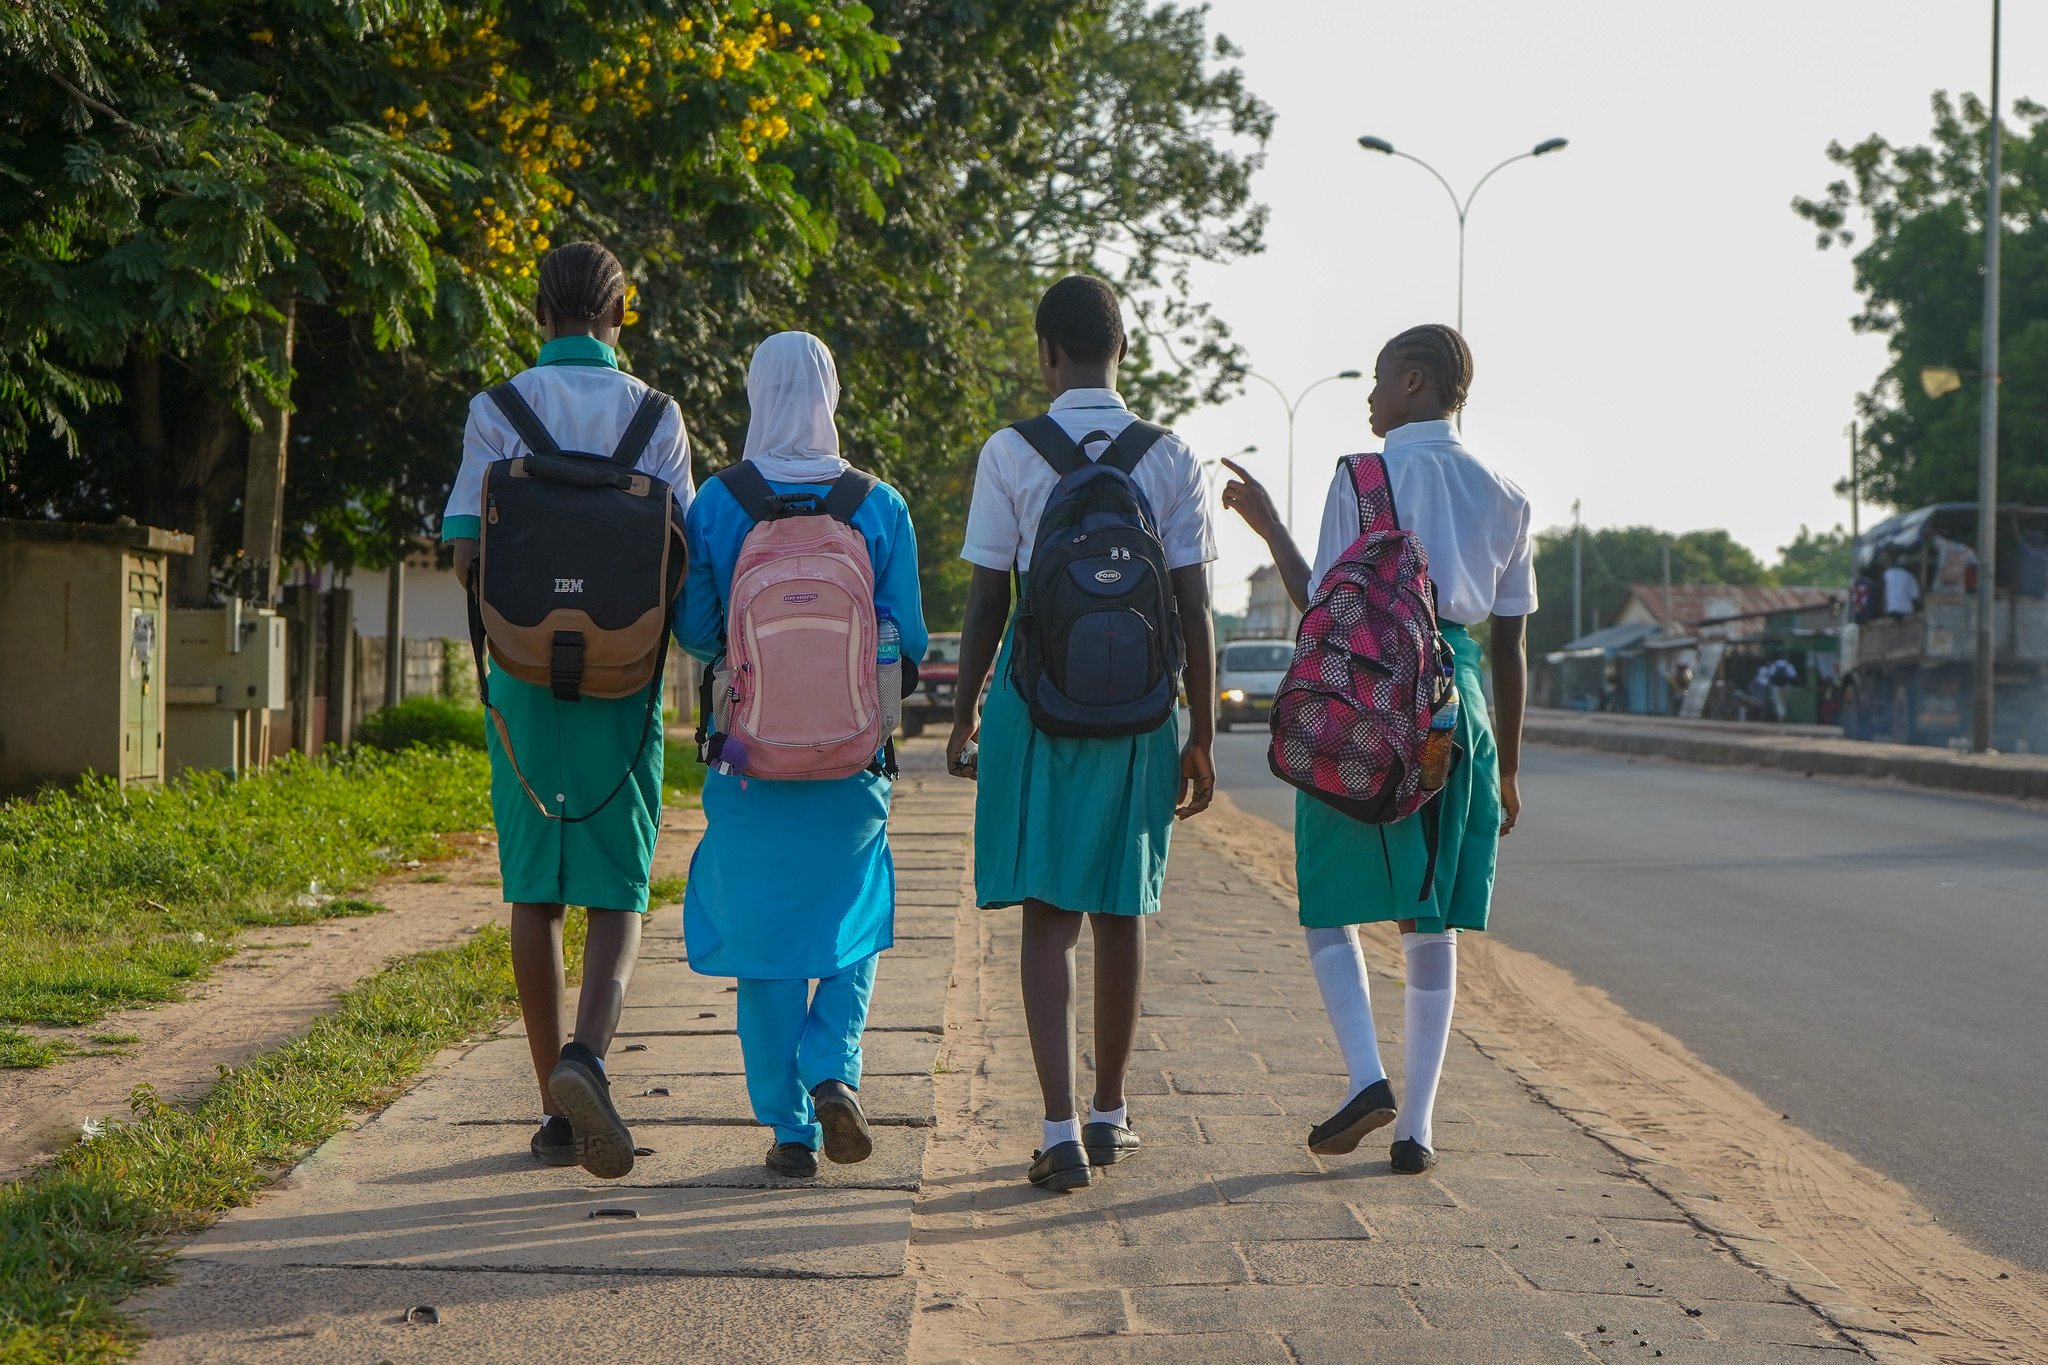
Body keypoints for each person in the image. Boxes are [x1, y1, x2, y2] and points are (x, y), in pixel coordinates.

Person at [1221, 323, 1533, 1175]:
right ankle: (1418, 1128)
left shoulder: (1363, 478)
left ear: (1415, 381)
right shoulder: (1506, 492)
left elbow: (1320, 600)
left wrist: (1270, 525)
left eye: (1381, 380)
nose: (1369, 397)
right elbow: (1509, 647)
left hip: (1366, 702)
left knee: (1326, 896)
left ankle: (1367, 1077)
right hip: (1453, 708)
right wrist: (1505, 765)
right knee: (1430, 916)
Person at [947, 274, 1217, 1193]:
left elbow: (991, 597)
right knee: (1121, 905)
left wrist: (964, 709)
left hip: (1037, 700)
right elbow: (1193, 603)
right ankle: (1111, 1112)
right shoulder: (1171, 455)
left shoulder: (1010, 451)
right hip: (1145, 709)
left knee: (1048, 915)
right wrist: (1204, 728)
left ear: (1044, 353)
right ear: (1125, 351)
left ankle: (1058, 1130)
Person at [444, 241, 694, 1177]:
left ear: (537, 314)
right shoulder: (658, 416)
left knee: (534, 892)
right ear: (620, 316)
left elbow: (467, 551)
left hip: (519, 679)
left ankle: (555, 1104)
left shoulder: (496, 409)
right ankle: (591, 1055)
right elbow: (682, 555)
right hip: (625, 679)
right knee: (617, 888)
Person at [677, 331, 928, 1179]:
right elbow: (908, 640)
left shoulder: (718, 500)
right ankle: (833, 1070)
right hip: (854, 764)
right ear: (832, 393)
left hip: (748, 760)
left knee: (765, 945)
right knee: (849, 923)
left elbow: (701, 633)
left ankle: (789, 1129)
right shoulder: (877, 503)